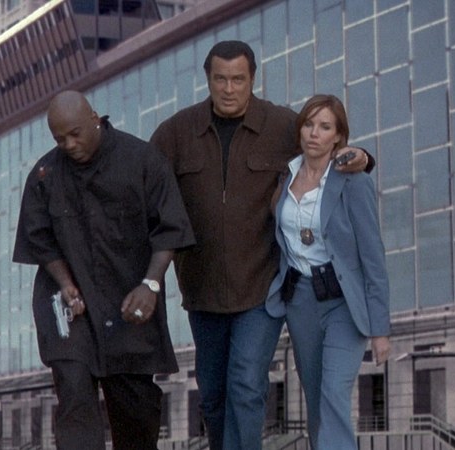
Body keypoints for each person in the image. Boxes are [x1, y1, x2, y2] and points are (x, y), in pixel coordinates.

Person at [149, 41, 373, 450]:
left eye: (238, 79)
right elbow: (143, 185)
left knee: (247, 385)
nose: (229, 89)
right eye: (220, 79)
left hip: (262, 288)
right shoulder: (176, 133)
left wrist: (363, 157)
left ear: (252, 78)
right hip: (202, 291)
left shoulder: (282, 125)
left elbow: (324, 147)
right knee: (213, 395)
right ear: (208, 79)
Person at [13, 90, 195, 450]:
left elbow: (171, 228)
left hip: (129, 301)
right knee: (74, 389)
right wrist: (65, 283)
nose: (69, 145)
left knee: (134, 409)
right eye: (60, 139)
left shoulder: (142, 160)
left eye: (75, 134)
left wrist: (151, 284)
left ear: (95, 118)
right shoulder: (45, 175)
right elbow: (39, 240)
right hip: (68, 306)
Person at [265, 94, 391, 450]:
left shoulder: (353, 182)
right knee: (316, 396)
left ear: (338, 136)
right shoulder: (286, 176)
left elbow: (373, 257)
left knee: (334, 391)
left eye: (324, 127)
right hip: (300, 301)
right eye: (308, 124)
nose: (314, 133)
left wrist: (380, 329)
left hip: (343, 302)